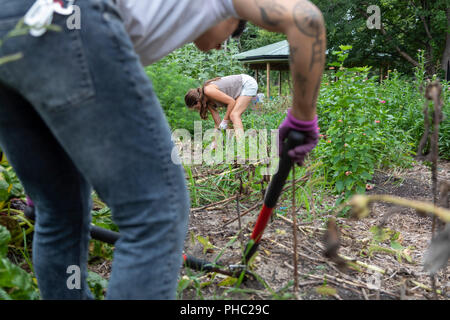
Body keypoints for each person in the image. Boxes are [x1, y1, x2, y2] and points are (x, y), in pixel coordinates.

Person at [0, 0, 325, 299]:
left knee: (57, 211)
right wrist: (302, 120)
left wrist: (52, 173)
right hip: (68, 21)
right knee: (157, 213)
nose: (226, 42)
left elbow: (84, 99)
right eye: (234, 28)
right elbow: (306, 20)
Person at [184, 74, 259, 135]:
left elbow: (231, 102)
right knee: (230, 119)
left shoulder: (208, 91)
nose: (197, 110)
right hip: (240, 89)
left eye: (195, 107)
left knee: (234, 115)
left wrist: (225, 120)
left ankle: (241, 147)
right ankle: (234, 145)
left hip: (246, 83)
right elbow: (218, 124)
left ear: (197, 101)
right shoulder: (207, 103)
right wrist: (214, 142)